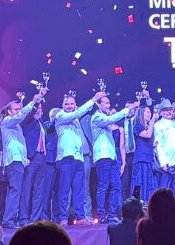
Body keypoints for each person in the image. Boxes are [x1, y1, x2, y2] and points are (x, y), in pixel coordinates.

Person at [51, 90, 105, 225]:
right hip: (65, 159)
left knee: (79, 190)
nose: (69, 106)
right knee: (64, 190)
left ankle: (80, 217)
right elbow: (77, 113)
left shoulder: (75, 120)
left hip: (78, 159)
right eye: (67, 104)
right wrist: (93, 99)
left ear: (75, 104)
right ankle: (63, 218)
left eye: (72, 104)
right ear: (63, 106)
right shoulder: (61, 116)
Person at [0, 91, 45, 228]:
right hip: (13, 161)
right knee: (15, 190)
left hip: (19, 160)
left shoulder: (17, 126)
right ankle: (8, 220)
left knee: (16, 190)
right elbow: (19, 117)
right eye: (15, 109)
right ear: (8, 112)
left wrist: (25, 158)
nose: (18, 111)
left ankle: (10, 219)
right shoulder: (7, 121)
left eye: (19, 109)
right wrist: (32, 102)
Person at [90, 95, 138, 224]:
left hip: (112, 157)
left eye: (108, 103)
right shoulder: (97, 117)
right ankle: (101, 215)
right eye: (105, 103)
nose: (108, 105)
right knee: (103, 185)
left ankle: (112, 214)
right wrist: (128, 109)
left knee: (117, 186)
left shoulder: (106, 119)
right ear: (99, 105)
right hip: (102, 156)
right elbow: (111, 118)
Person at [21, 98, 54, 223]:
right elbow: (30, 114)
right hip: (31, 158)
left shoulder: (41, 123)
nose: (38, 111)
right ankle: (24, 218)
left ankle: (35, 219)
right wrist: (35, 102)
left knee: (39, 190)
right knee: (27, 189)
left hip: (42, 158)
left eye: (40, 108)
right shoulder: (27, 121)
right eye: (36, 108)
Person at [129, 104, 156, 202]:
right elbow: (147, 135)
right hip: (141, 159)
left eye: (150, 112)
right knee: (139, 184)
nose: (150, 114)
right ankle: (137, 207)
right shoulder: (137, 126)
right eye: (147, 112)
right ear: (141, 113)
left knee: (149, 185)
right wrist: (153, 120)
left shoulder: (148, 127)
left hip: (149, 160)